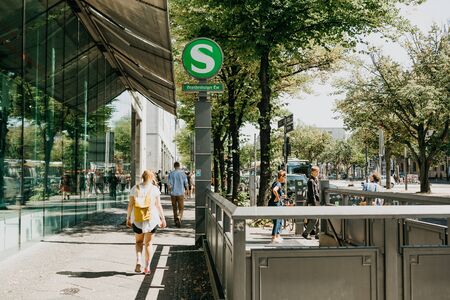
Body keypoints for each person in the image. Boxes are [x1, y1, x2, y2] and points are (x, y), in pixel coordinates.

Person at [126, 170, 167, 275]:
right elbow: (158, 205)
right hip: (151, 220)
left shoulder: (135, 188)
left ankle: (139, 260)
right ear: (151, 178)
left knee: (138, 242)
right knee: (148, 243)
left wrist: (128, 218)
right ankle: (147, 267)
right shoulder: (154, 189)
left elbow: (130, 205)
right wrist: (163, 219)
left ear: (142, 178)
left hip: (137, 219)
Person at [268, 170, 287, 243]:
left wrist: (281, 196)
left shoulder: (276, 183)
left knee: (279, 220)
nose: (285, 179)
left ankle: (277, 235)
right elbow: (274, 190)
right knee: (277, 220)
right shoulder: (278, 184)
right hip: (275, 204)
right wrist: (278, 197)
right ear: (281, 177)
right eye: (284, 177)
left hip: (275, 204)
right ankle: (273, 237)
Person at [302, 166, 321, 240]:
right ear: (313, 172)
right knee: (314, 219)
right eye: (317, 172)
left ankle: (317, 234)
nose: (318, 173)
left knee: (318, 219)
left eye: (318, 172)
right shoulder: (311, 181)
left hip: (316, 202)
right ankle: (306, 233)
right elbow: (312, 194)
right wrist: (315, 204)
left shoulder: (315, 180)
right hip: (313, 203)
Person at [168, 162, 188, 228]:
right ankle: (179, 217)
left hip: (173, 193)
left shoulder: (171, 173)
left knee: (174, 208)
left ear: (174, 166)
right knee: (181, 208)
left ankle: (175, 221)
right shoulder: (183, 173)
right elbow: (186, 183)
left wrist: (169, 190)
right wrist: (187, 191)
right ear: (179, 166)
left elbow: (169, 185)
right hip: (180, 193)